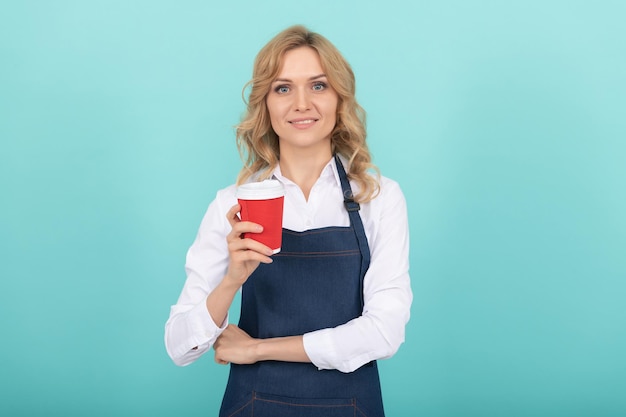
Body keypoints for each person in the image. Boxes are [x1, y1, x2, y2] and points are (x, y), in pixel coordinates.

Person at [165, 25, 412, 417]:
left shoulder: (378, 198)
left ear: (339, 99)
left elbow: (384, 332)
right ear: (265, 105)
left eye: (318, 86)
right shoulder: (231, 204)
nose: (301, 104)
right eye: (283, 88)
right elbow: (180, 347)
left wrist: (259, 349)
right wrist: (232, 280)